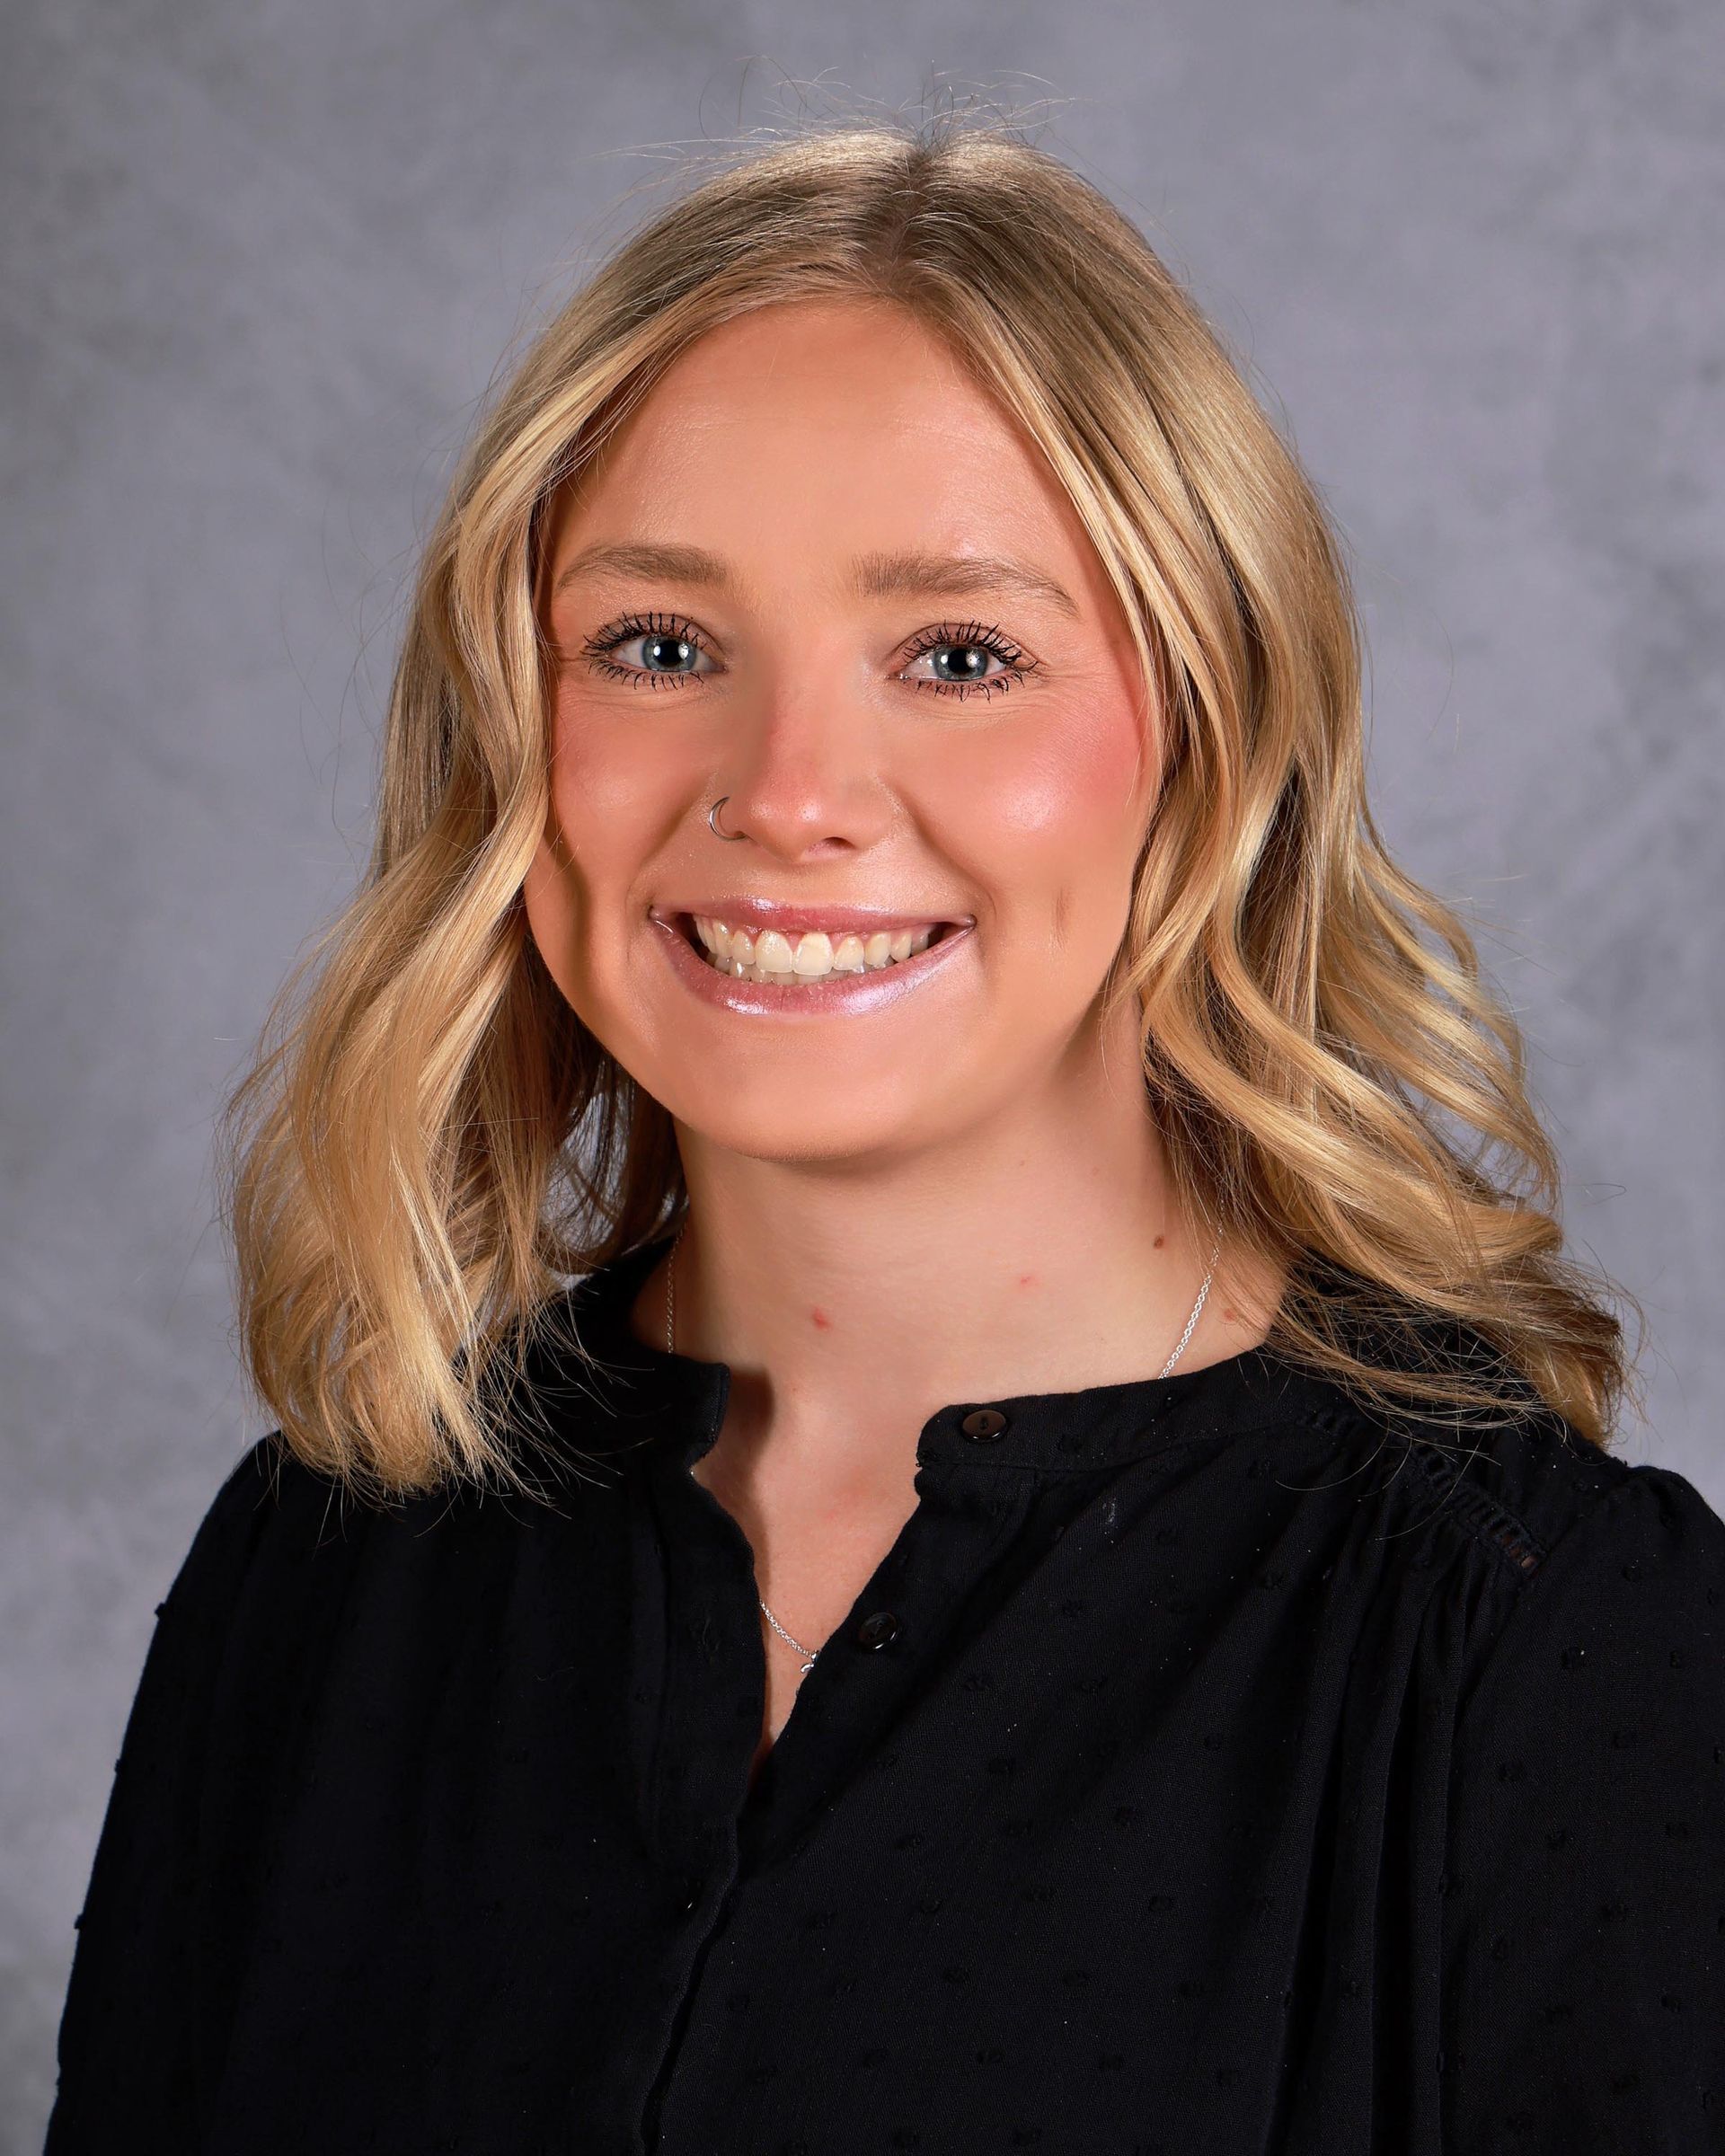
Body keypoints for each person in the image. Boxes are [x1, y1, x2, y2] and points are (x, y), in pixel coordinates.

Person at [46, 116, 1725, 2154]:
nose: (790, 792)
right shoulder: (328, 1564)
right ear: (514, 733)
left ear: (1206, 744)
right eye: (659, 647)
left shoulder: (1543, 1651)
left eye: (959, 655)